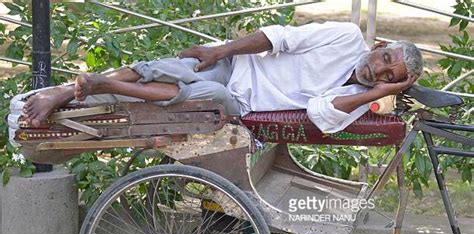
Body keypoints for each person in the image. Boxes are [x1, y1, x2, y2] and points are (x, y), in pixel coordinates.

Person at [22, 21, 422, 133]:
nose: (379, 69)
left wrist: (385, 91)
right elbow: (279, 37)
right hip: (236, 66)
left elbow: (321, 112)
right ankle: (66, 90)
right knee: (169, 67)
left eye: (389, 75)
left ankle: (102, 84)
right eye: (385, 57)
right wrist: (219, 50)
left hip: (241, 105)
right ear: (379, 43)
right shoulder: (346, 36)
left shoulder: (355, 97)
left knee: (202, 91)